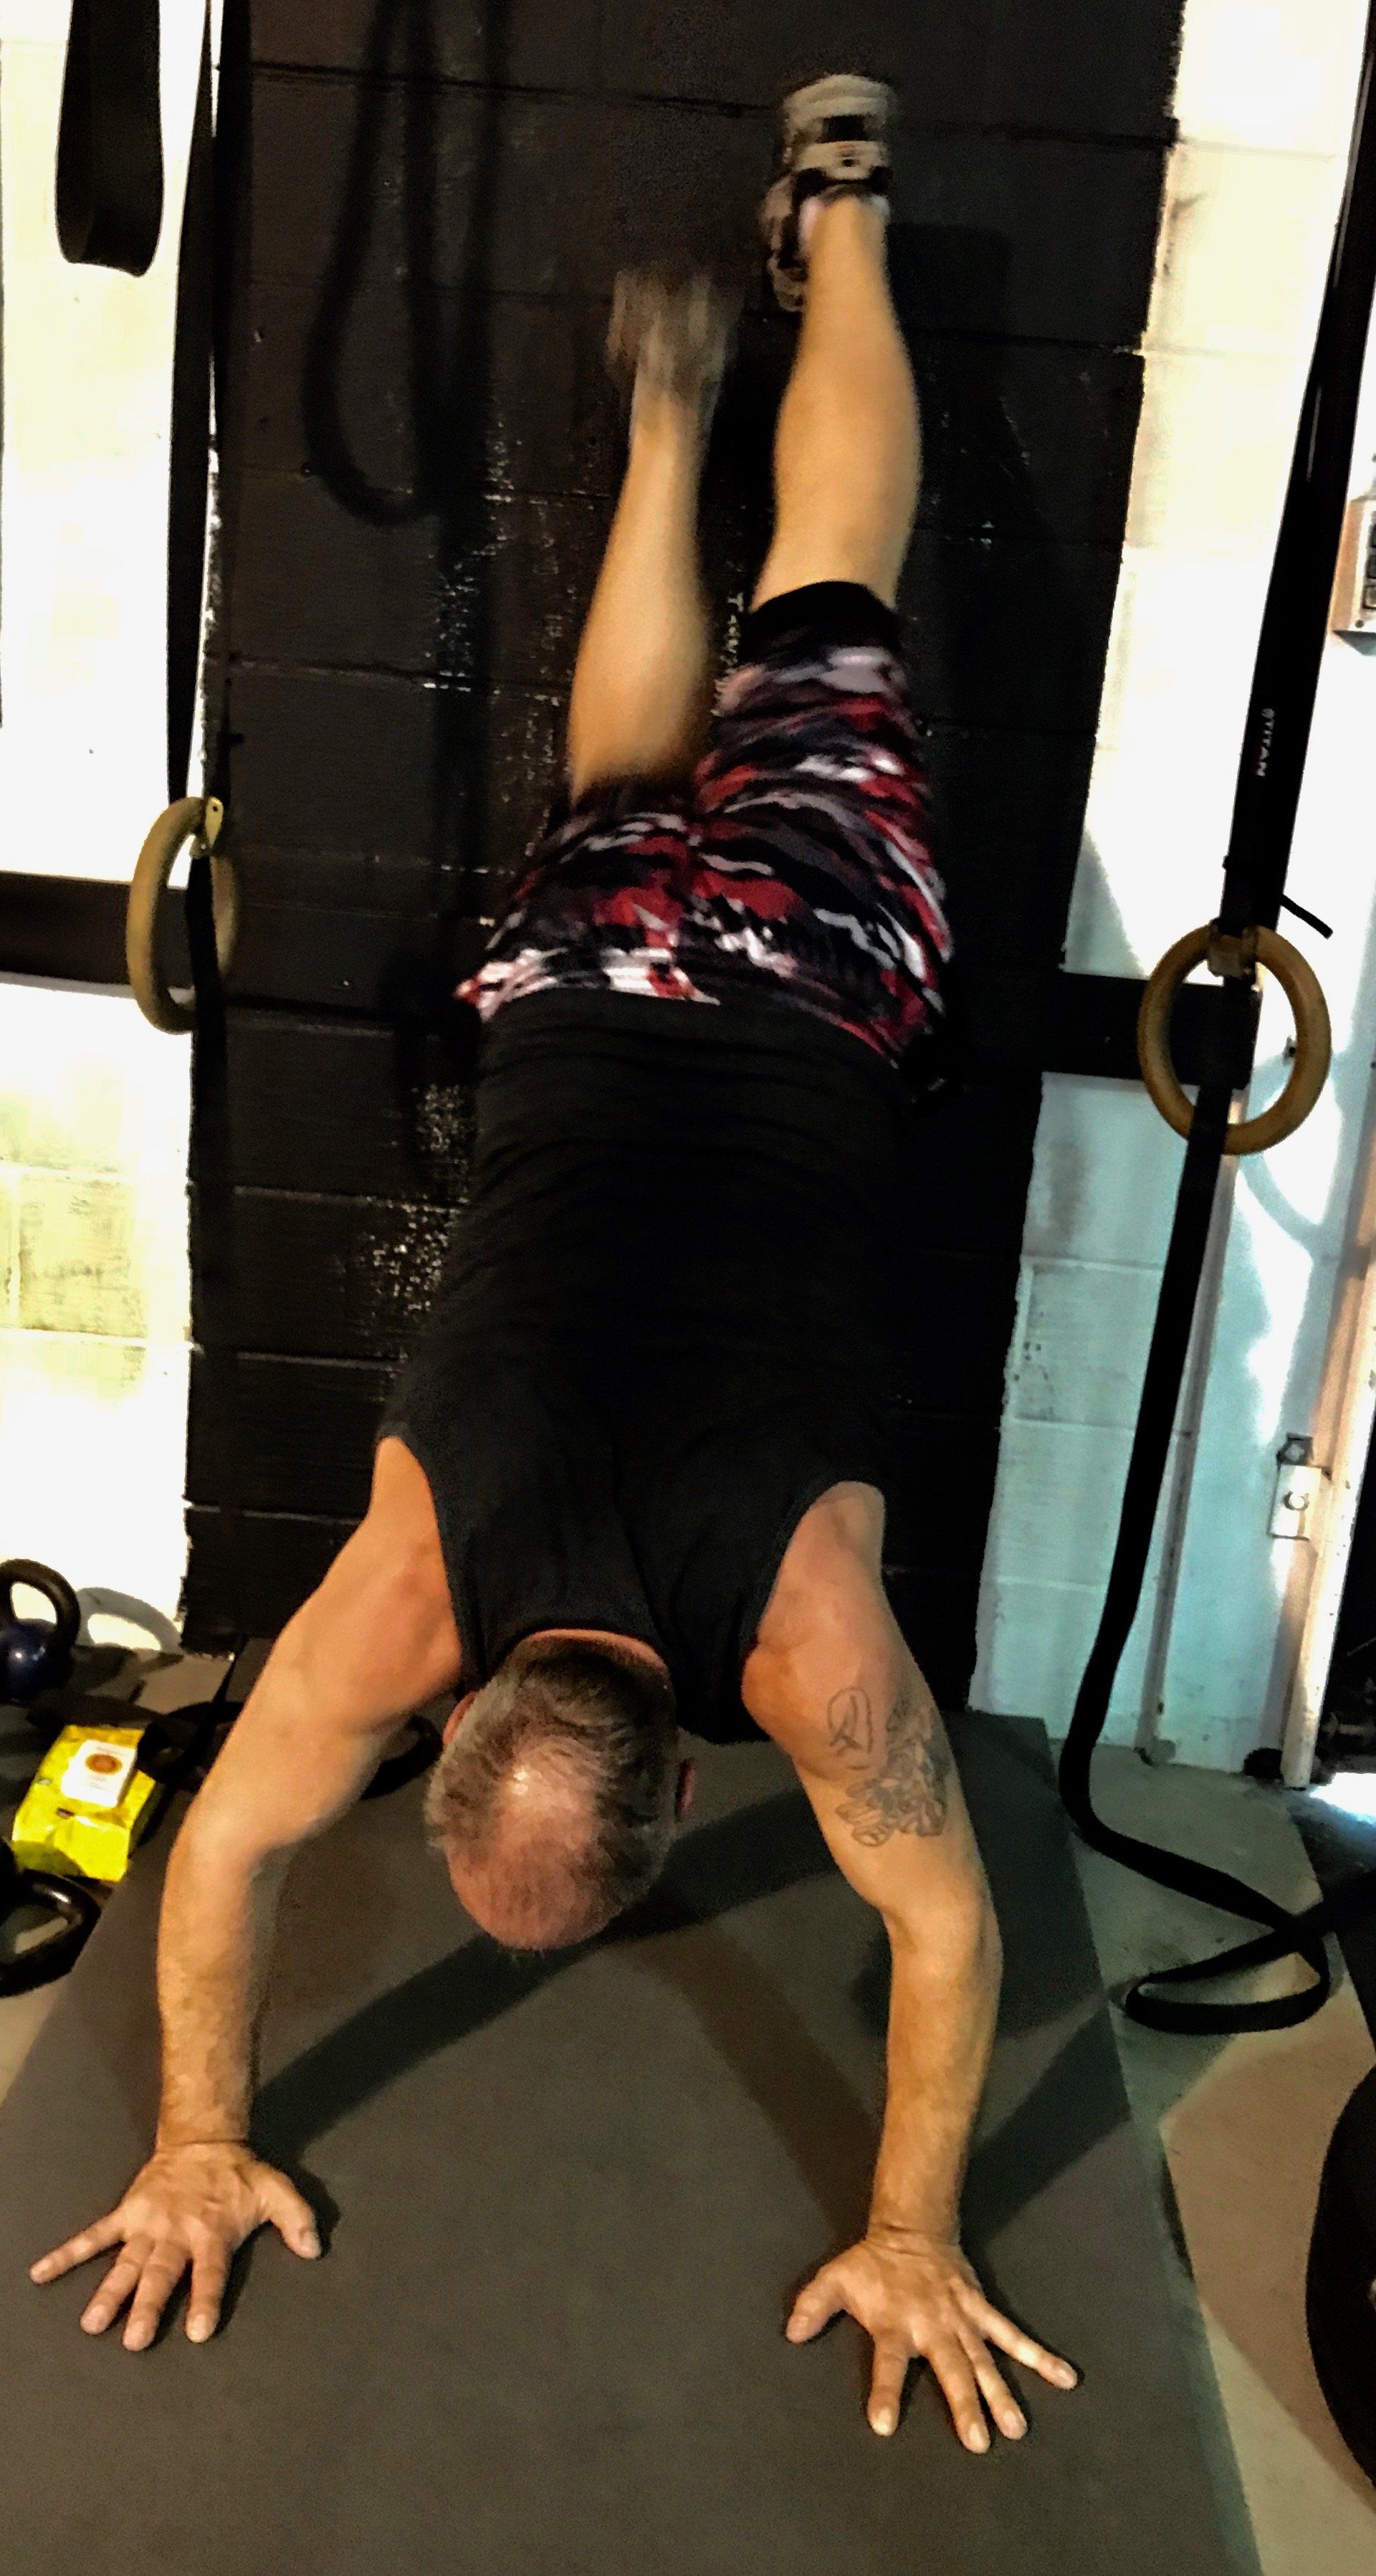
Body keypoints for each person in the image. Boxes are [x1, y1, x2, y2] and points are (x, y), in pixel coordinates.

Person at [31, 75, 1077, 2456]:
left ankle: (849, 218)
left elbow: (942, 1933)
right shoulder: (411, 1573)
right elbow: (229, 1854)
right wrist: (194, 2123)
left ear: (682, 1790)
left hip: (809, 988)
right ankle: (668, 412)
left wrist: (913, 2229)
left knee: (832, 591)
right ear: (480, 1728)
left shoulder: (803, 1646)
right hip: (582, 996)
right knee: (610, 792)